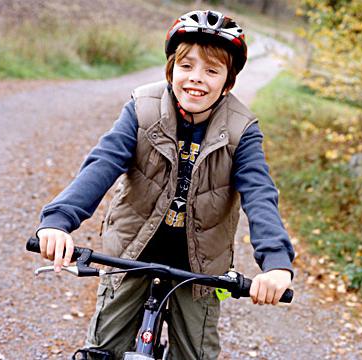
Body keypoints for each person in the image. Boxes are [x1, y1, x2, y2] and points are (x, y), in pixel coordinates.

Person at [36, 9, 294, 360]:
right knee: (102, 351)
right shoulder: (141, 110)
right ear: (171, 69)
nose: (196, 79)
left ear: (228, 82)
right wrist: (58, 221)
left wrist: (276, 263)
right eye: (186, 66)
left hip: (201, 267)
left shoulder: (242, 130)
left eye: (212, 70)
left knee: (196, 354)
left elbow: (260, 193)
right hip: (131, 251)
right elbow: (103, 164)